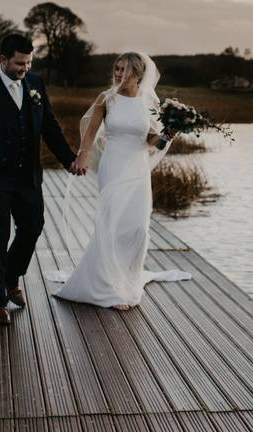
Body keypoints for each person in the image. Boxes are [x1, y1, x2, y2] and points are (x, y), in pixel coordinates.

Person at [0, 33, 81, 325]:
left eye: (29, 63)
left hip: (27, 177)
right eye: (19, 63)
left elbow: (49, 126)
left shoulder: (35, 85)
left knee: (33, 227)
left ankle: (11, 276)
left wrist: (69, 159)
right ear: (3, 59)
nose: (25, 68)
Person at [48, 51, 191, 311]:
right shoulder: (107, 98)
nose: (118, 74)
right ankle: (108, 288)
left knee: (137, 226)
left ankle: (127, 280)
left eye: (124, 70)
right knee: (112, 224)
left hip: (138, 167)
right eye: (116, 68)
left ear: (138, 74)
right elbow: (90, 132)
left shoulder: (148, 101)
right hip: (113, 165)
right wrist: (82, 156)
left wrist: (167, 135)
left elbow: (151, 139)